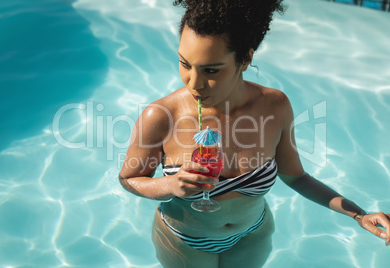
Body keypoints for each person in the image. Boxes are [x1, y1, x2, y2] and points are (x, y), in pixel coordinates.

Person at [119, 0, 390, 267]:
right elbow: (129, 179)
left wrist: (358, 215)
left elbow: (297, 178)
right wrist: (170, 185)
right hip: (185, 240)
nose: (194, 82)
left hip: (252, 235)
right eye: (184, 63)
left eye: (211, 70)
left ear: (245, 58)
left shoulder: (274, 106)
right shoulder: (162, 115)